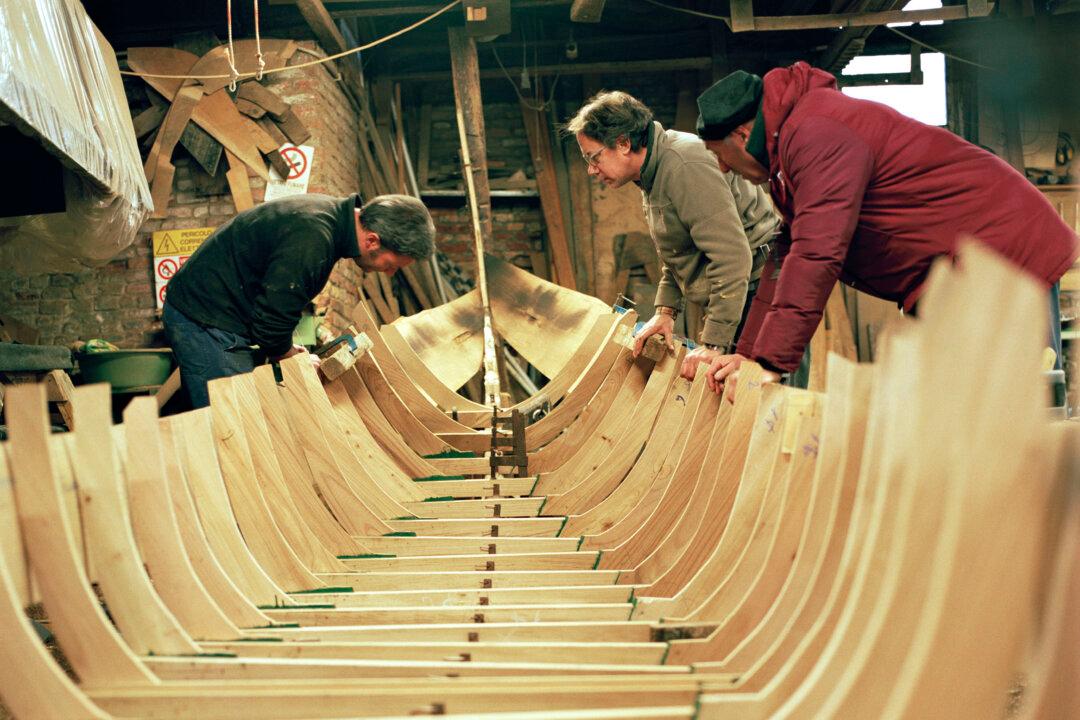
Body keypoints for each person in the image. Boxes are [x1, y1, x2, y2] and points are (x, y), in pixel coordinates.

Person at [695, 63, 1079, 400]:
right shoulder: (789, 155)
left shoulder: (816, 132)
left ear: (742, 135)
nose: (723, 168)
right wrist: (748, 354)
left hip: (1001, 256)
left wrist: (769, 364)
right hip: (957, 274)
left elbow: (817, 251)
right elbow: (789, 254)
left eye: (717, 154)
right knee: (962, 419)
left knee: (1014, 417)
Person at [566, 90, 781, 381]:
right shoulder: (653, 173)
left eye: (594, 157)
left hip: (761, 293)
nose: (591, 170)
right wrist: (665, 312)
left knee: (756, 398)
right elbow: (680, 250)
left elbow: (732, 257)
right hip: (742, 291)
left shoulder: (683, 165)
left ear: (624, 143)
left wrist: (713, 344)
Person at [163, 193, 435, 408]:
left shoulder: (328, 220)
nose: (389, 273)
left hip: (221, 316)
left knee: (244, 419)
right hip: (204, 318)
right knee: (235, 427)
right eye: (392, 265)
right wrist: (287, 354)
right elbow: (272, 318)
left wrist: (286, 347)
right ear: (373, 241)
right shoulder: (314, 235)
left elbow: (277, 301)